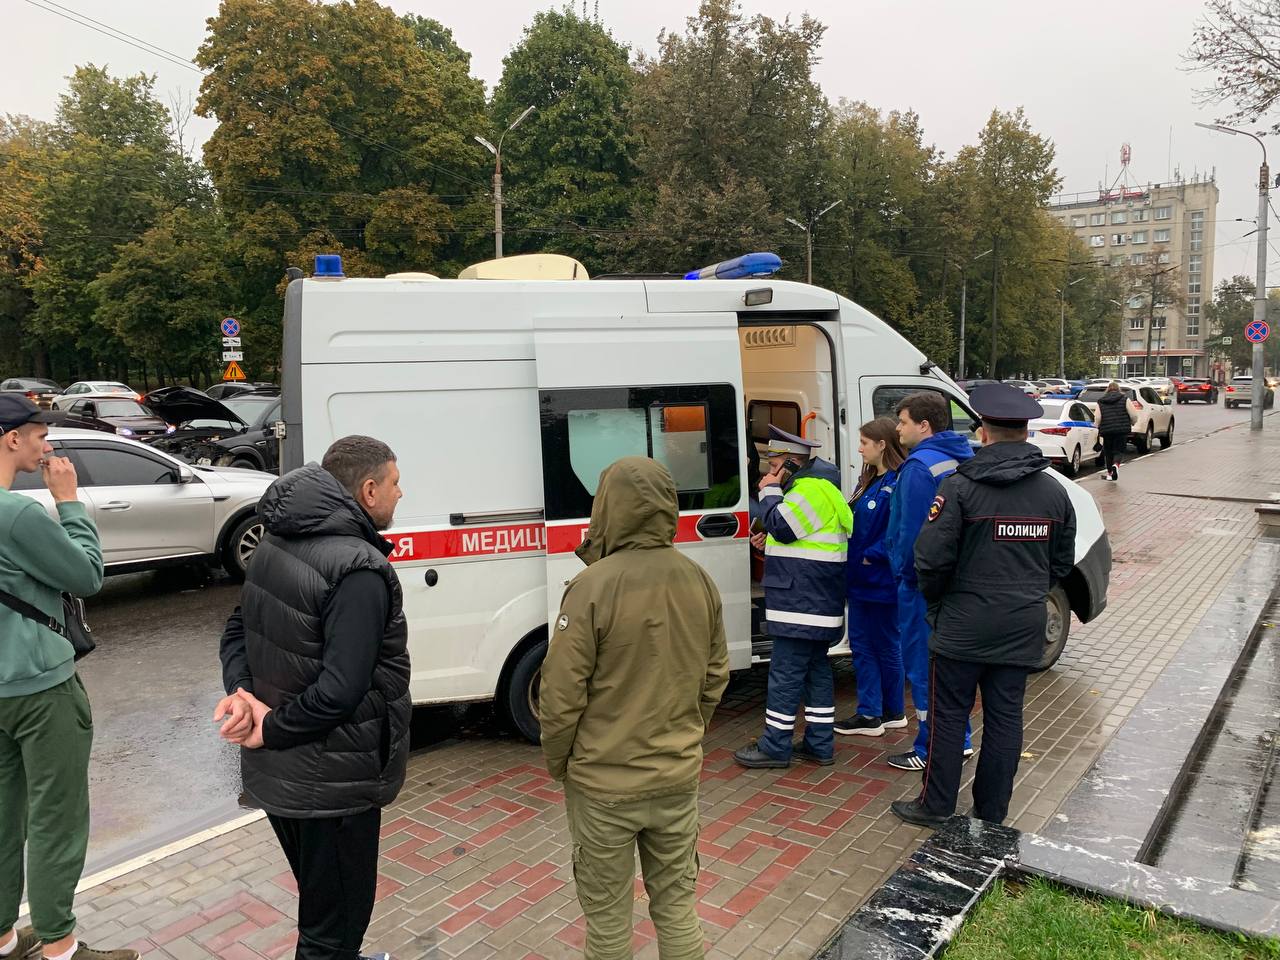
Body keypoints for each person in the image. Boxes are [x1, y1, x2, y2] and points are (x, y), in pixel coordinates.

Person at [215, 436, 410, 960]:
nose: (401, 492)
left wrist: (243, 695)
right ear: (368, 490)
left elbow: (237, 631)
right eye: (395, 482)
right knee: (332, 928)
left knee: (326, 911)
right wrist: (267, 726)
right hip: (332, 785)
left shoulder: (275, 539)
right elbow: (341, 691)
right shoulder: (359, 569)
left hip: (282, 777)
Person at [540, 456, 729, 960]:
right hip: (675, 777)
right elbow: (715, 676)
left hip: (603, 783)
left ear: (607, 508)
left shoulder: (591, 587)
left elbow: (560, 697)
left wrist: (560, 762)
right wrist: (687, 733)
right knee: (677, 906)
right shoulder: (698, 579)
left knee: (606, 918)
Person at [890, 384, 1076, 829]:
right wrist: (1026, 592)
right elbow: (1061, 563)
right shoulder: (1054, 493)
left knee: (949, 717)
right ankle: (991, 814)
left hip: (961, 627)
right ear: (1026, 433)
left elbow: (929, 560)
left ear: (984, 433)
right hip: (1021, 625)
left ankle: (935, 806)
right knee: (1006, 719)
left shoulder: (959, 489)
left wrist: (939, 605)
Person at [0, 397, 129, 960]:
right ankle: (60, 946)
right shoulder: (17, 514)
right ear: (10, 440)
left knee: (2, 817)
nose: (46, 446)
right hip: (38, 688)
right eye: (39, 435)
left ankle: (4, 936)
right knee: (56, 817)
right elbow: (86, 575)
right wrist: (70, 503)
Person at [734, 426, 852, 769]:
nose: (768, 471)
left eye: (773, 464)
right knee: (816, 672)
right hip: (814, 603)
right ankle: (819, 743)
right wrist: (766, 539)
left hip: (803, 605)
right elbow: (793, 536)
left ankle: (775, 746)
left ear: (790, 464)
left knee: (785, 676)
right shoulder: (814, 488)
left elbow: (784, 527)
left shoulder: (810, 489)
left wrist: (770, 493)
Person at [884, 392, 974, 772]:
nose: (898, 428)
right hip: (957, 582)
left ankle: (931, 747)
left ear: (924, 425)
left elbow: (913, 535)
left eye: (902, 422)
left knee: (923, 668)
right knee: (948, 668)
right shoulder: (962, 456)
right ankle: (960, 739)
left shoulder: (919, 468)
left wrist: (903, 575)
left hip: (921, 587)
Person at [835, 418, 908, 738]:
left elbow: (901, 529)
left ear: (882, 445)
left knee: (876, 645)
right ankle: (888, 712)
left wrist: (872, 555)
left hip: (878, 579)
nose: (860, 448)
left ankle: (874, 714)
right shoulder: (867, 481)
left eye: (865, 442)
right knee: (872, 645)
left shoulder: (897, 481)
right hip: (863, 580)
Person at [1095, 382, 1133, 482]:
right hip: (1121, 430)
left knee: (1108, 452)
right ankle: (1116, 465)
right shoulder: (1125, 399)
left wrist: (1097, 426)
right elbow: (1133, 415)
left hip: (1107, 431)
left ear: (1108, 389)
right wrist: (1132, 422)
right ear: (1118, 389)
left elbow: (1098, 417)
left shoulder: (1101, 401)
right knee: (1119, 450)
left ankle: (1110, 474)